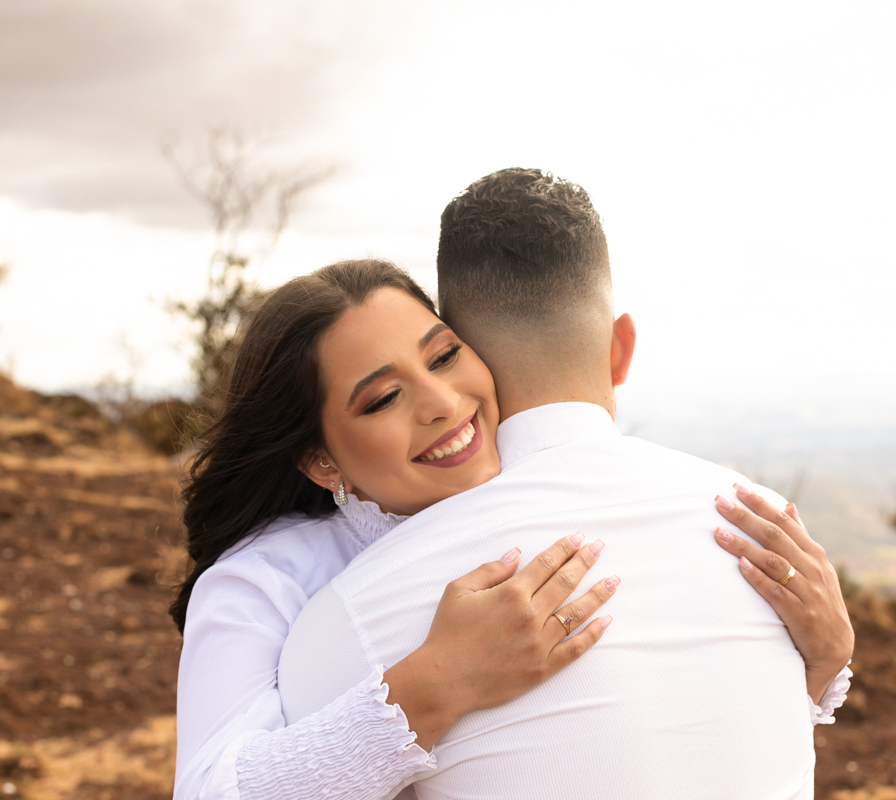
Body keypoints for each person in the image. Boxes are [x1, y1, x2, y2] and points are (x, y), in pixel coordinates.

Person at [173, 257, 852, 798]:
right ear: (322, 460)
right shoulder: (266, 580)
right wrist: (436, 684)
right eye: (383, 398)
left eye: (443, 356)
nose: (442, 403)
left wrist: (820, 664)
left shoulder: (548, 495)